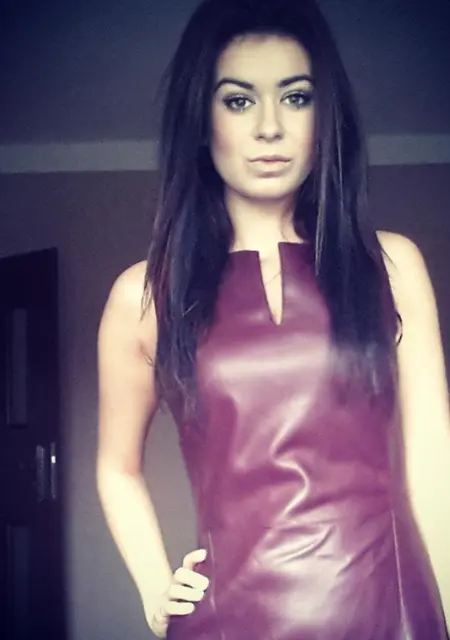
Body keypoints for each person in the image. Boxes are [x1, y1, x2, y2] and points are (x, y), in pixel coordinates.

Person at [96, 0, 450, 637]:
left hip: (392, 614)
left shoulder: (392, 266)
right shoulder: (143, 298)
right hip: (227, 620)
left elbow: (433, 461)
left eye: (295, 97)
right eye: (238, 100)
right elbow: (116, 467)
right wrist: (155, 587)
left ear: (324, 115)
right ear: (201, 120)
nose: (269, 127)